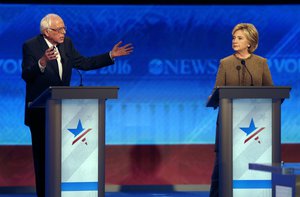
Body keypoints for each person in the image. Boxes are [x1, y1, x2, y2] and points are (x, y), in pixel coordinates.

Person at [21, 13, 133, 197]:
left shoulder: (67, 44)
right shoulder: (31, 46)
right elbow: (26, 75)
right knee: (43, 160)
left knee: (63, 159)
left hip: (64, 113)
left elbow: (85, 63)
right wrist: (42, 62)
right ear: (47, 31)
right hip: (40, 113)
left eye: (64, 28)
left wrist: (110, 55)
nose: (64, 32)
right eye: (60, 29)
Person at [208, 23, 273, 197]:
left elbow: (271, 93)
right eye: (233, 38)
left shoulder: (261, 63)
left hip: (256, 125)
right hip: (229, 124)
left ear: (250, 42)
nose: (235, 41)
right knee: (222, 166)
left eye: (240, 38)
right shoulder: (225, 63)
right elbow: (217, 91)